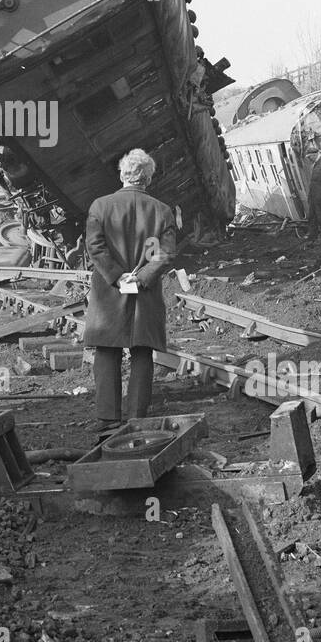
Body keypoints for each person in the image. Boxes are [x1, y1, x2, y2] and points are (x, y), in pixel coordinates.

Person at [83, 149, 177, 431]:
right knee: (142, 352)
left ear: (122, 174)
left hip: (109, 292)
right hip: (144, 291)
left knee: (106, 352)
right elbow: (166, 253)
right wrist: (141, 278)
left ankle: (107, 417)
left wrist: (116, 277)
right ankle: (137, 417)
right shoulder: (162, 211)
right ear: (147, 178)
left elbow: (95, 247)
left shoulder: (100, 206)